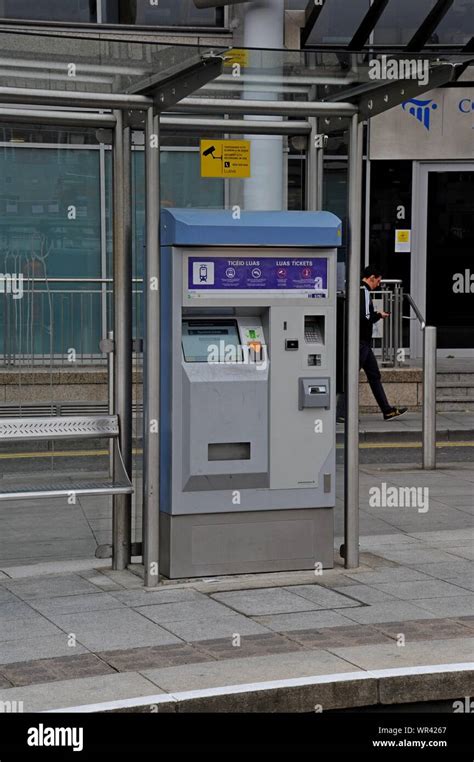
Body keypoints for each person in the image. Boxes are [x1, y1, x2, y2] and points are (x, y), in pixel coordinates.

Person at [358, 265, 407, 421]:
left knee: (374, 375)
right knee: (350, 378)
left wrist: (377, 314)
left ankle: (387, 410)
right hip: (360, 343)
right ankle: (340, 413)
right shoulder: (364, 291)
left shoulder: (359, 290)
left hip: (363, 343)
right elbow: (365, 317)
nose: (378, 285)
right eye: (378, 281)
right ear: (371, 277)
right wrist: (378, 315)